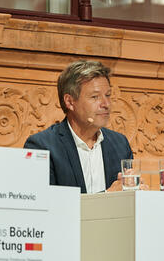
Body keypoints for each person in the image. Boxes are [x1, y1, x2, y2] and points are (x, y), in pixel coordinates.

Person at [24, 60, 133, 193]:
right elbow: (46, 206)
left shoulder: (120, 144)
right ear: (70, 102)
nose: (106, 104)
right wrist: (108, 196)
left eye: (108, 95)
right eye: (95, 97)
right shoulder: (42, 146)